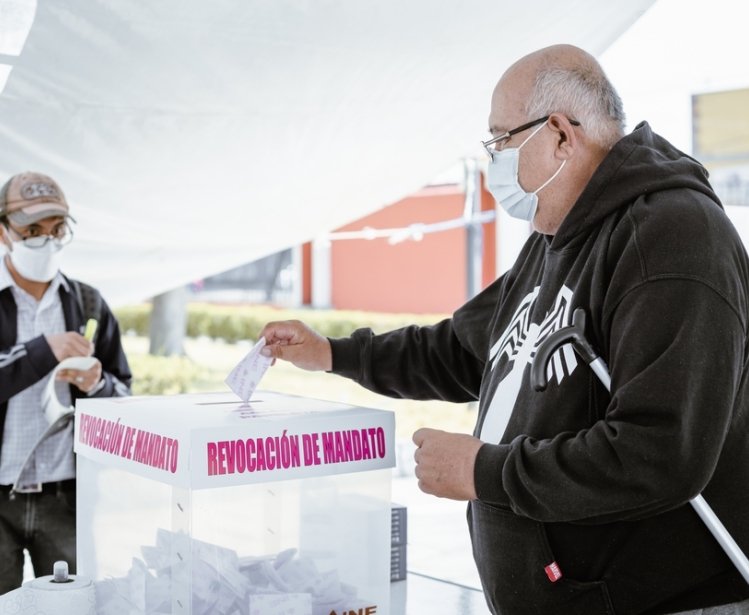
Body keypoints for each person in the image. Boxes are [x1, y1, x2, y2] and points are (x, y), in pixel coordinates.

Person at [258, 44, 749, 614]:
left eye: (501, 140)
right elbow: (461, 350)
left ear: (562, 134)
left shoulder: (670, 237)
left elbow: (660, 454)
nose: (495, 163)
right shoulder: (554, 240)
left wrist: (483, 470)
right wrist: (334, 354)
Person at [0, 171, 132, 591]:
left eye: (57, 229)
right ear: (4, 232)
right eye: (32, 230)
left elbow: (125, 395)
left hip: (66, 497)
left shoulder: (89, 304)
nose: (47, 241)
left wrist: (97, 386)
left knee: (69, 605)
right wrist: (44, 350)